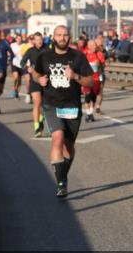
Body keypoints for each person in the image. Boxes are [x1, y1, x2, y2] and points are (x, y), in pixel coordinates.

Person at [30, 25, 95, 197]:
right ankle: (61, 183)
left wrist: (75, 77)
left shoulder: (78, 57)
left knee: (69, 146)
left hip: (72, 106)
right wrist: (39, 79)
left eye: (65, 35)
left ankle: (62, 175)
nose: (62, 38)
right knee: (57, 139)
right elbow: (35, 74)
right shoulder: (44, 56)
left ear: (69, 37)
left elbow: (91, 82)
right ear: (53, 37)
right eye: (59, 35)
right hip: (51, 104)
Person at [21, 33, 46, 138]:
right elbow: (22, 62)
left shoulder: (47, 50)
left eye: (40, 39)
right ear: (34, 41)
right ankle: (36, 128)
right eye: (37, 40)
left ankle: (41, 119)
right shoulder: (30, 51)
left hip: (46, 79)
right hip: (35, 80)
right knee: (37, 102)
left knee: (45, 105)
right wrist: (28, 69)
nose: (39, 41)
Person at [82, 39, 106, 122]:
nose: (94, 47)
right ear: (88, 46)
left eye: (95, 45)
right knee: (87, 96)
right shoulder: (84, 54)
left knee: (93, 97)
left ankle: (90, 114)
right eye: (92, 45)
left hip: (96, 79)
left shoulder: (99, 54)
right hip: (87, 79)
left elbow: (103, 65)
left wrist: (99, 65)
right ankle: (88, 113)